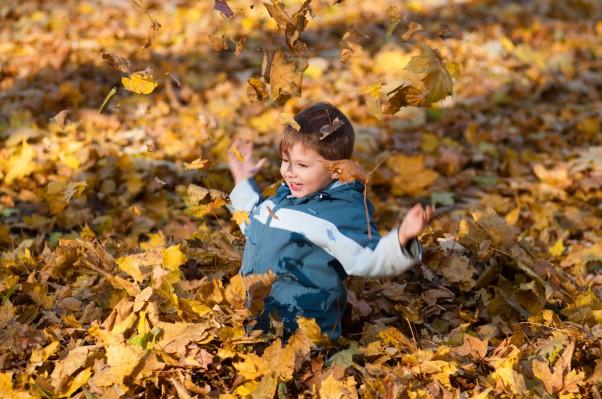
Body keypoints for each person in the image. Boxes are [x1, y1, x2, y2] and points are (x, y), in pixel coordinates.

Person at [227, 102, 435, 340]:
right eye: (286, 160)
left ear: (336, 170)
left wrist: (401, 238)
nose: (289, 172)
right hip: (254, 324)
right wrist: (242, 178)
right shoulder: (284, 200)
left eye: (302, 165)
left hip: (302, 336)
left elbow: (367, 259)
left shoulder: (337, 215)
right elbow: (253, 226)